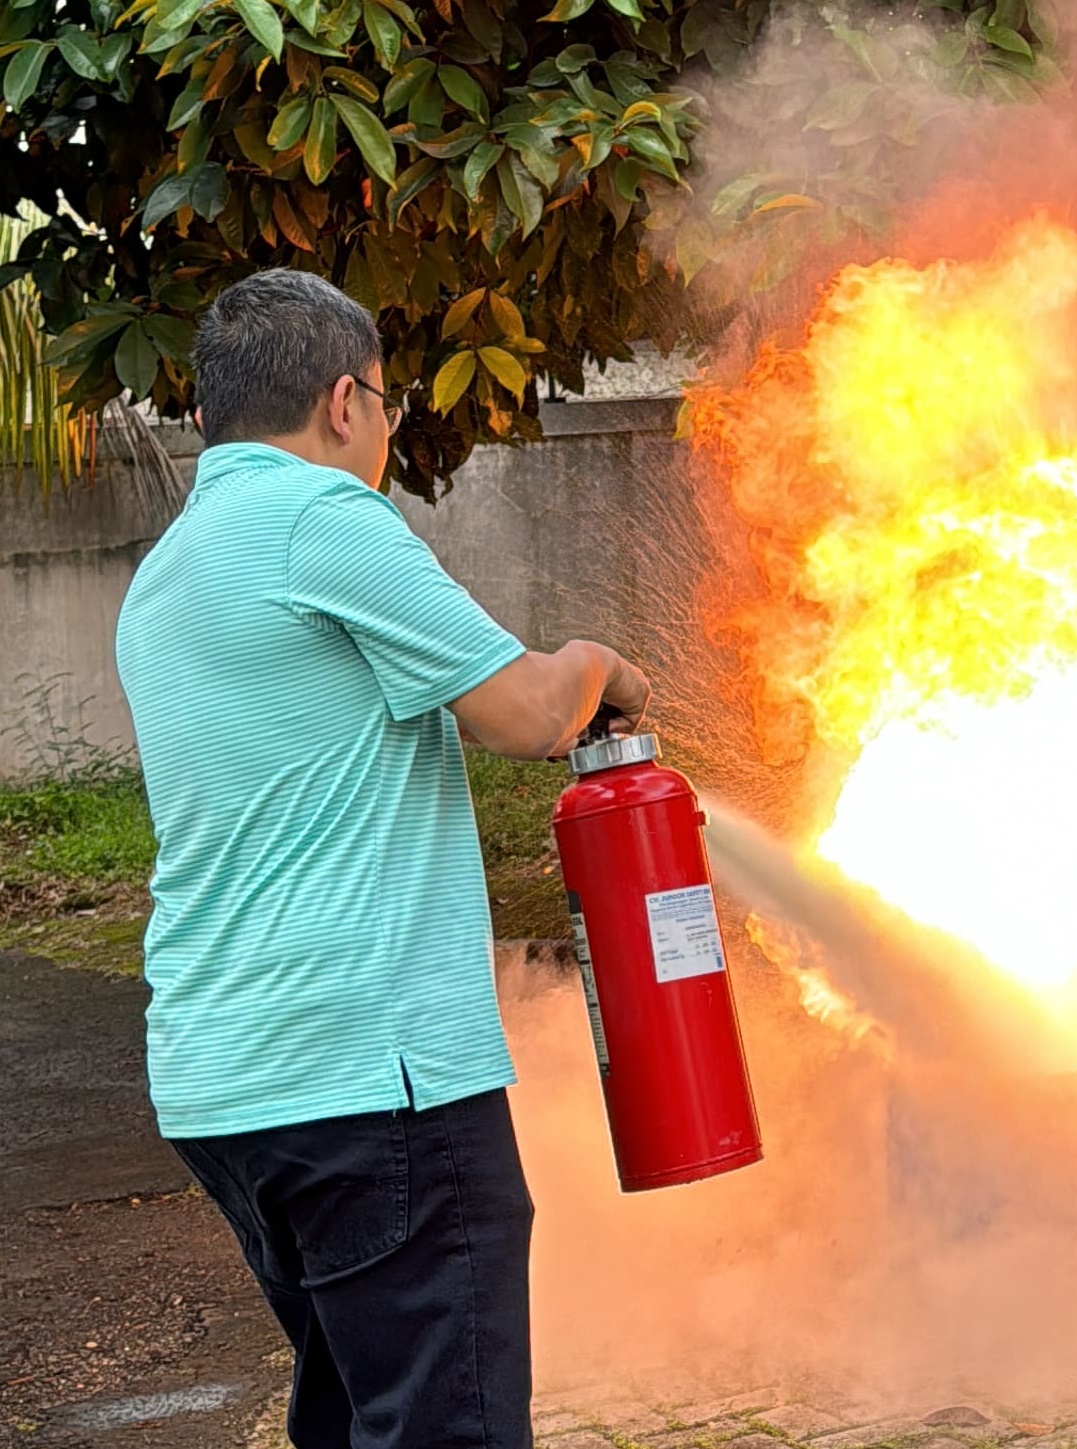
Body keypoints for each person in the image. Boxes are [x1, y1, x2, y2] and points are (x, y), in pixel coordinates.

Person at [114, 268, 649, 1449]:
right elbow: (525, 714)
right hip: (372, 1084)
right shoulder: (323, 522)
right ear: (348, 402)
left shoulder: (168, 572)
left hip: (226, 1086)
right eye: (393, 404)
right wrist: (602, 662)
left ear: (210, 414)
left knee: (360, 1415)